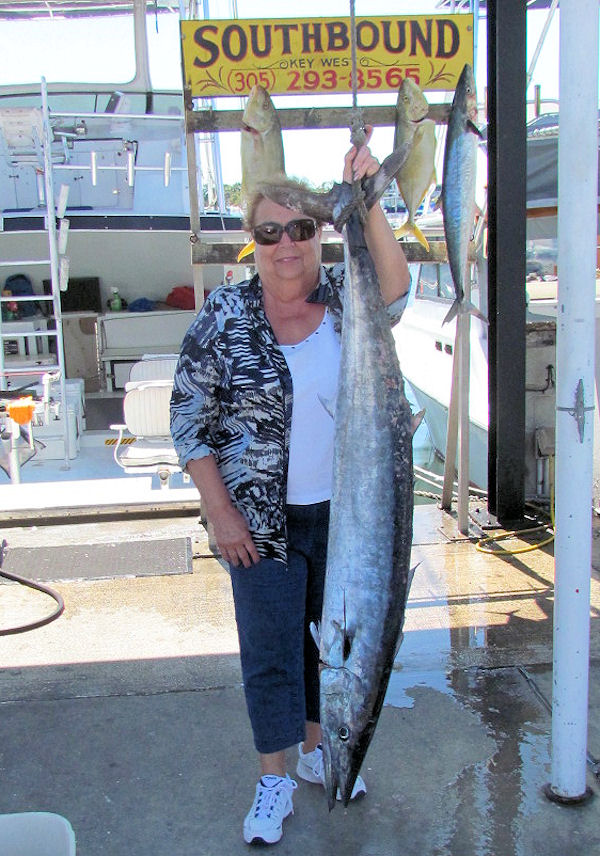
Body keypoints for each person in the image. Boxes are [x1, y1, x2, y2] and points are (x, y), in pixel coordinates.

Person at [170, 127, 410, 846]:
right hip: (260, 524)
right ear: (254, 241)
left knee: (329, 643)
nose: (286, 244)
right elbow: (189, 421)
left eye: (300, 229)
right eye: (269, 231)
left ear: (316, 237)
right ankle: (273, 779)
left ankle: (319, 750)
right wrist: (220, 514)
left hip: (348, 521)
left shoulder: (346, 300)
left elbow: (394, 286)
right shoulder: (224, 318)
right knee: (273, 649)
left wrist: (367, 203)